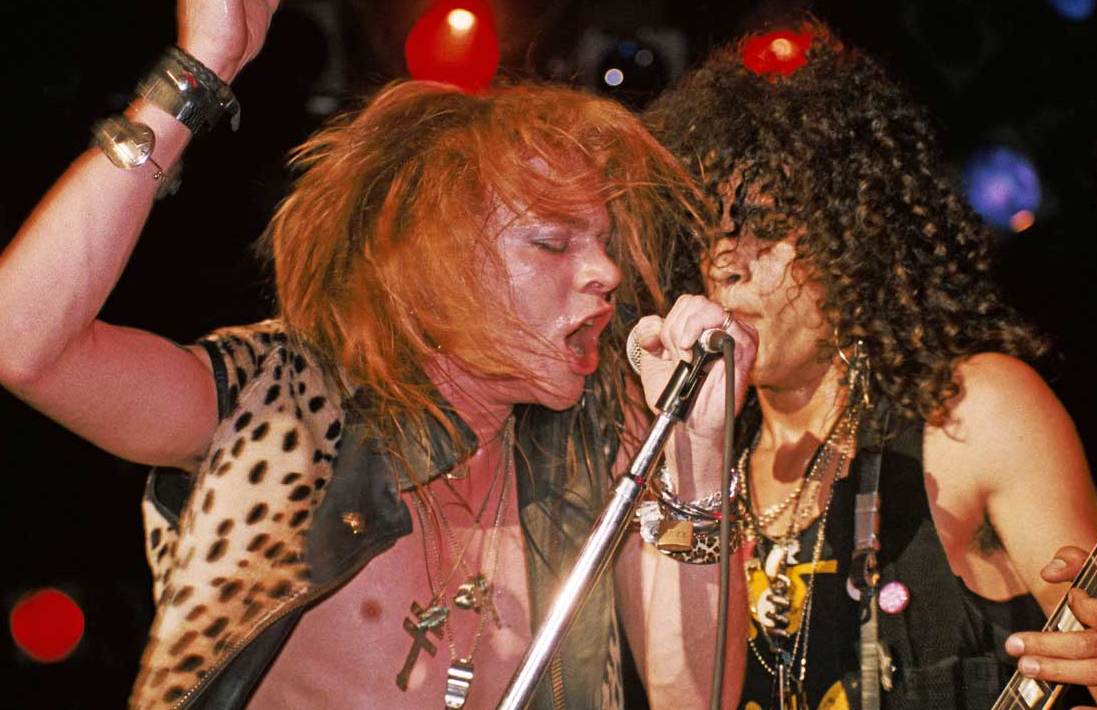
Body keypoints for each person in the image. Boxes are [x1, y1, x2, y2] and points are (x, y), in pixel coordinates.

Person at [0, 1, 754, 707]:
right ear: (434, 256)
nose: (606, 274)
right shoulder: (274, 398)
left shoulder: (594, 447)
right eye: (552, 241)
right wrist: (196, 72)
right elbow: (22, 341)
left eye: (602, 242)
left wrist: (700, 450)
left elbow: (699, 697)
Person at [638, 20, 1097, 710]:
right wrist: (691, 456)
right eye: (709, 233)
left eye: (761, 225)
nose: (728, 261)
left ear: (847, 233)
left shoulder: (973, 412)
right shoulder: (691, 465)